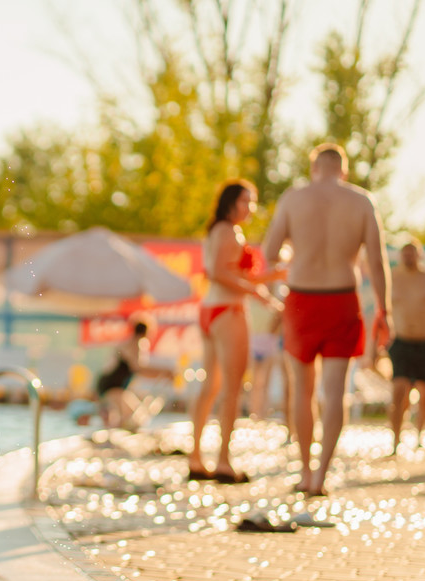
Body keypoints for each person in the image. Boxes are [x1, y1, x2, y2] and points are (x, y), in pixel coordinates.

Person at [261, 143, 390, 496]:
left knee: (302, 391)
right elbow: (377, 263)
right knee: (335, 393)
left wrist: (277, 295)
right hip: (341, 299)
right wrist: (384, 311)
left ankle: (304, 472)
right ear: (343, 171)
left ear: (314, 168)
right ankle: (321, 477)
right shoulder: (362, 201)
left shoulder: (293, 198)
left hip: (301, 299)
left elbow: (268, 255)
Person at [188, 180, 283, 483]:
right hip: (227, 311)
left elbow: (233, 274)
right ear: (230, 202)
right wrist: (257, 293)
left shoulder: (217, 230)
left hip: (211, 310)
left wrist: (270, 281)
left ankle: (196, 457)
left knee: (211, 386)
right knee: (231, 387)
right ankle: (224, 461)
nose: (250, 208)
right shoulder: (228, 231)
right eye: (246, 201)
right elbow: (217, 273)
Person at [387, 237, 425, 456]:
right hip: (401, 342)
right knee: (398, 391)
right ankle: (395, 442)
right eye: (405, 252)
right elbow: (382, 313)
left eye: (412, 252)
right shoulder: (392, 279)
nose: (408, 256)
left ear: (419, 254)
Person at [95, 320, 174, 431]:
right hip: (112, 386)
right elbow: (139, 368)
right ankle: (112, 438)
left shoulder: (129, 342)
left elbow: (139, 369)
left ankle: (112, 434)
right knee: (129, 418)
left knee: (133, 417)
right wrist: (164, 372)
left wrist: (163, 373)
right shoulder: (136, 343)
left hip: (111, 385)